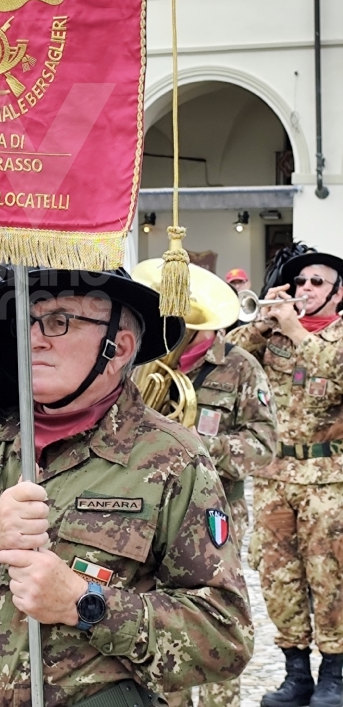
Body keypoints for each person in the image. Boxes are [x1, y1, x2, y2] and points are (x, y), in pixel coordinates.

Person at [0, 266, 253, 707]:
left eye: (58, 322)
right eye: (27, 322)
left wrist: (85, 603)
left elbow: (225, 637)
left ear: (119, 348)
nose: (34, 338)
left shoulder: (172, 458)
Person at [133, 259, 277, 707]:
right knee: (163, 614)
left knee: (214, 619)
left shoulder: (240, 367)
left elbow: (263, 446)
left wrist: (195, 444)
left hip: (217, 513)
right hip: (152, 511)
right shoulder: (145, 362)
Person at [227, 249, 343, 707]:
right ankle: (296, 672)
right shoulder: (275, 333)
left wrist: (298, 332)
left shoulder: (336, 336)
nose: (306, 290)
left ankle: (335, 672)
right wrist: (264, 321)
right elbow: (228, 353)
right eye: (301, 282)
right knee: (278, 577)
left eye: (317, 282)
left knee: (330, 576)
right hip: (275, 478)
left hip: (329, 480)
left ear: (338, 293)